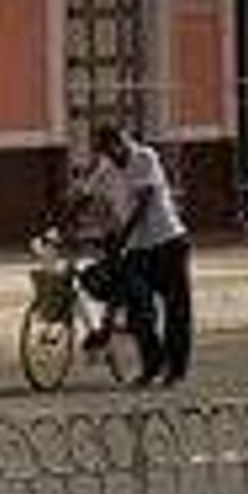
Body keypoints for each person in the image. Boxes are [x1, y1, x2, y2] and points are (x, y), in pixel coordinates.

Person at [85, 122, 193, 387]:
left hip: (167, 243)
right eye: (106, 151)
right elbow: (86, 197)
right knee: (138, 311)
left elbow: (144, 202)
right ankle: (152, 366)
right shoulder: (106, 169)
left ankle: (176, 370)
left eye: (115, 147)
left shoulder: (145, 157)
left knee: (176, 310)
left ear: (123, 140)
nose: (112, 154)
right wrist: (62, 224)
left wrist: (122, 238)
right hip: (136, 250)